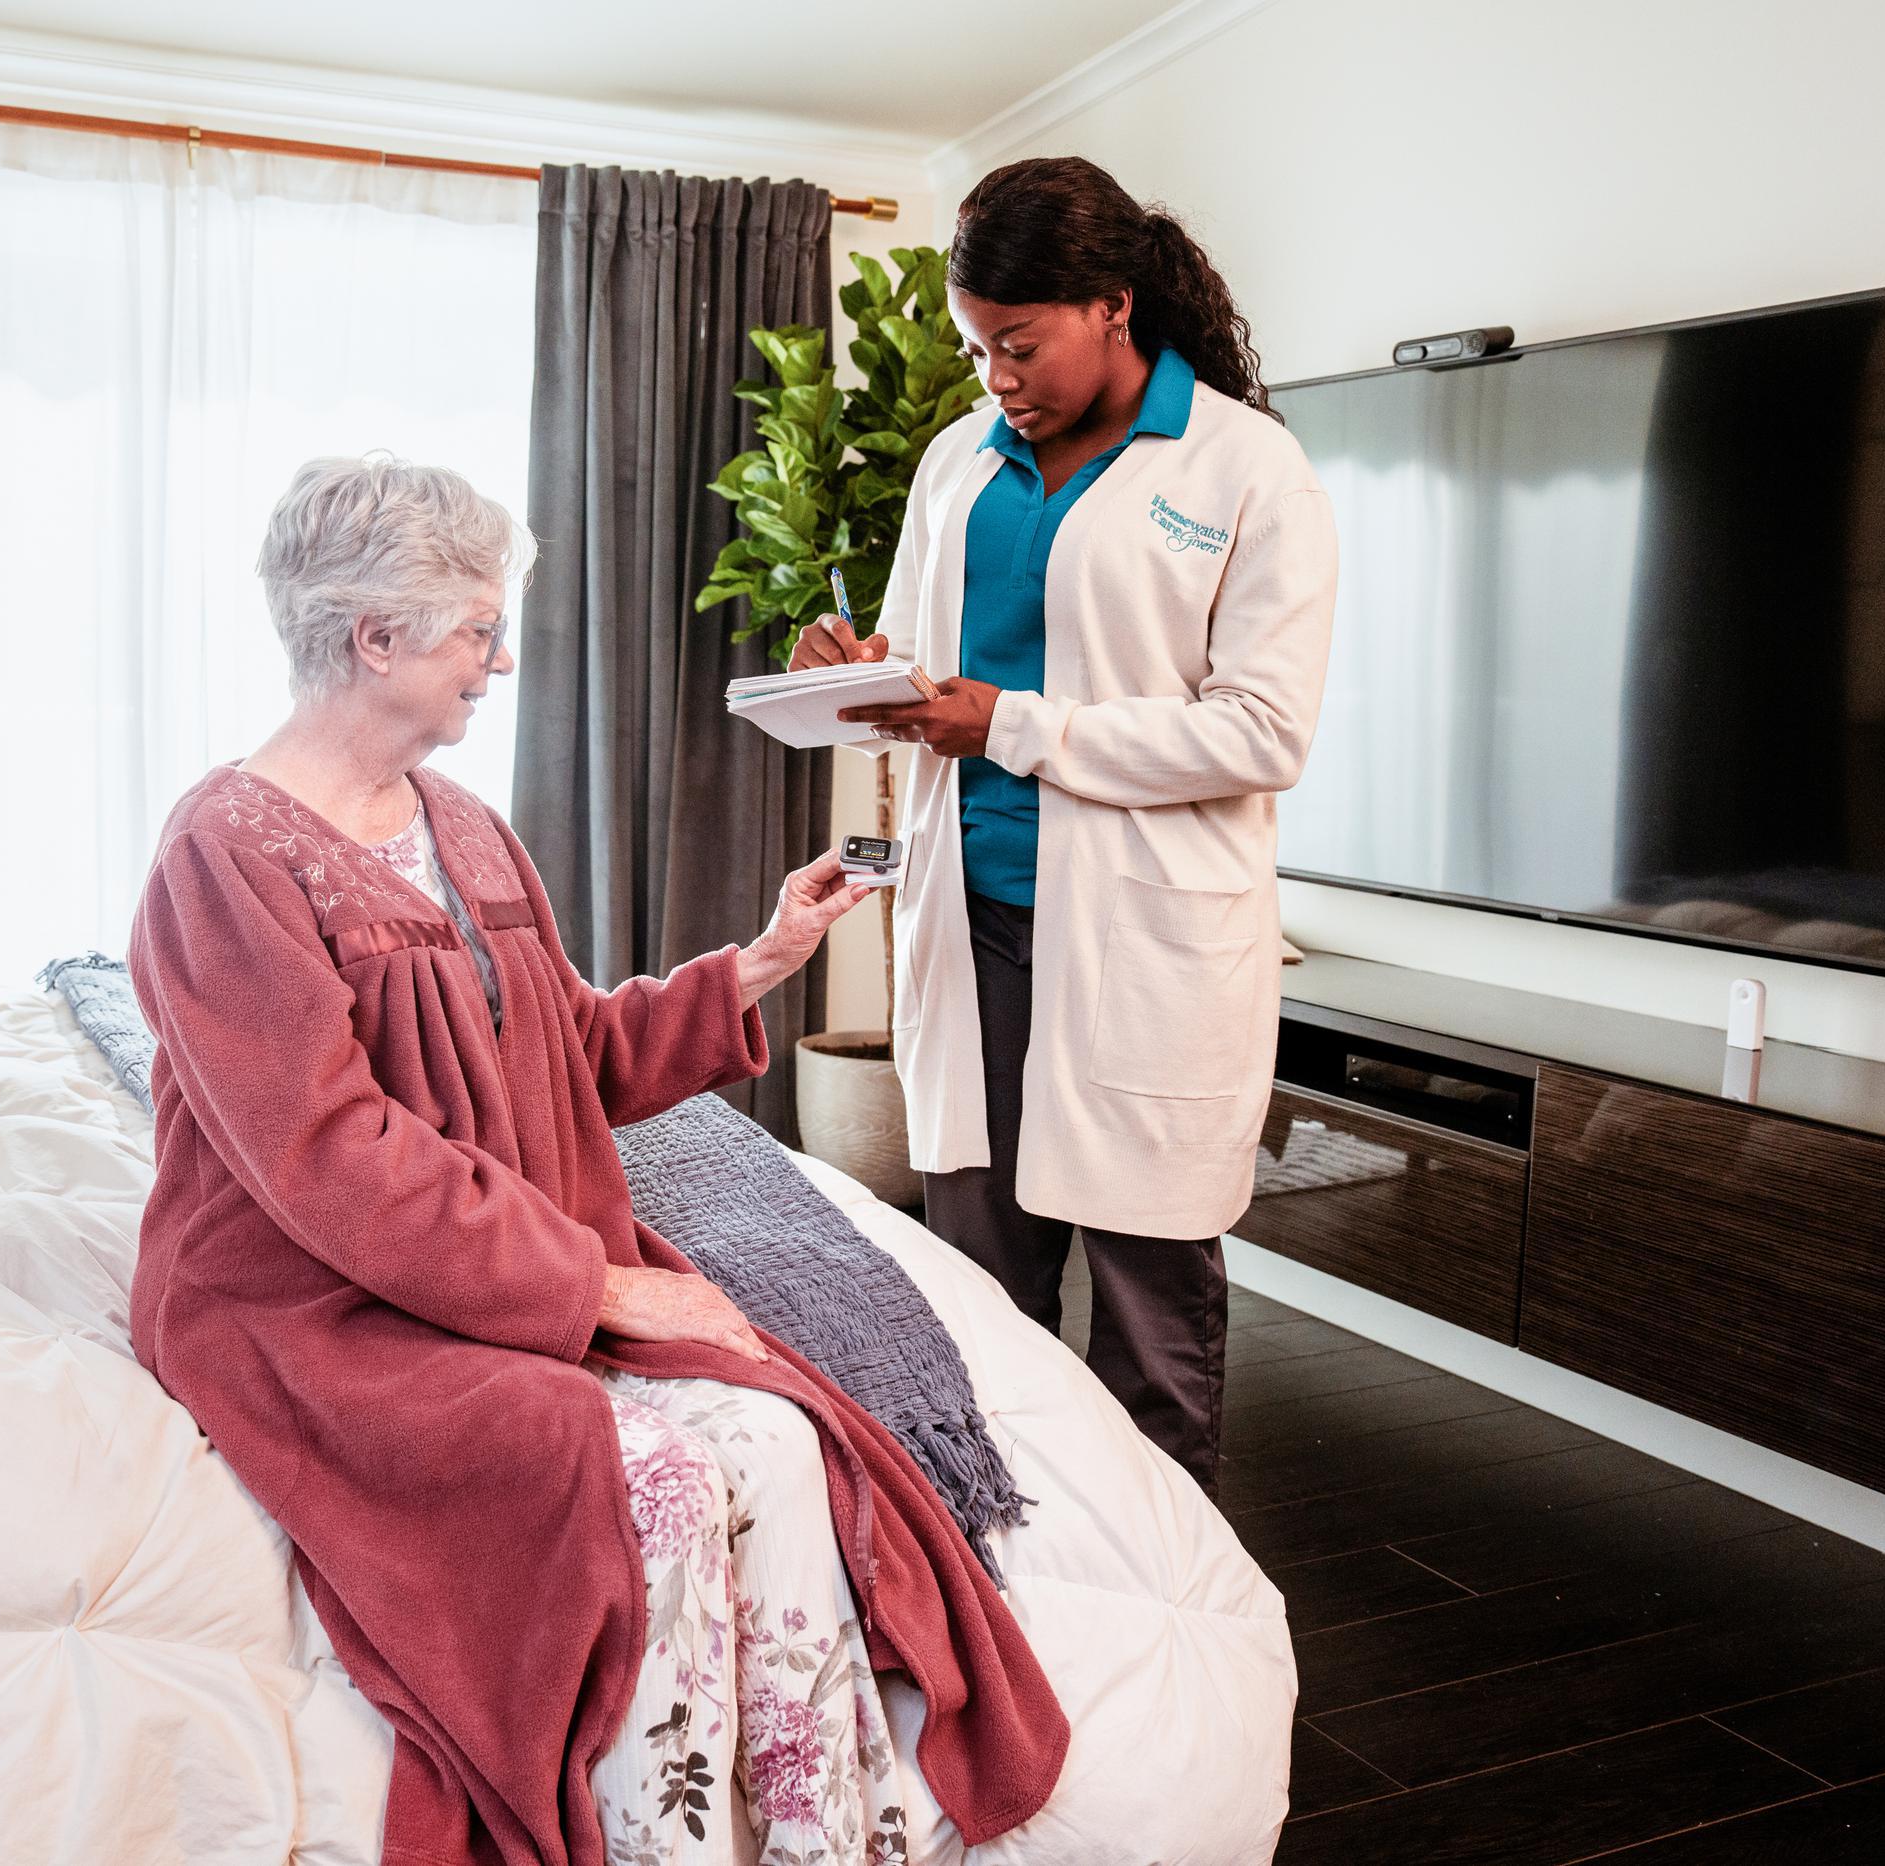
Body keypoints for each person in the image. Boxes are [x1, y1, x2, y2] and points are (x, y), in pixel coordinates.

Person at [129, 455, 1067, 1866]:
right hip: (310, 1299)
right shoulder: (225, 852)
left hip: (493, 1261)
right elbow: (333, 1163)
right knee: (662, 1491)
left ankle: (828, 1841)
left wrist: (757, 962)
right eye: (475, 632)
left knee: (784, 1433)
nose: (500, 662)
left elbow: (562, 1051)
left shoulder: (465, 824)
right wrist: (603, 1288)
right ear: (373, 638)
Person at [794, 157, 1339, 1500]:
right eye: (978, 347)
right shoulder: (957, 462)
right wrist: (863, 675)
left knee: (1153, 1311)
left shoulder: (1245, 468)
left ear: (1111, 305)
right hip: (971, 922)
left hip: (1143, 947)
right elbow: (930, 677)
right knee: (984, 1293)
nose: (997, 377)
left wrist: (1014, 725)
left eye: (1017, 344)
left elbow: (1262, 732)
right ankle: (1017, 1599)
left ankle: (1172, 1624)